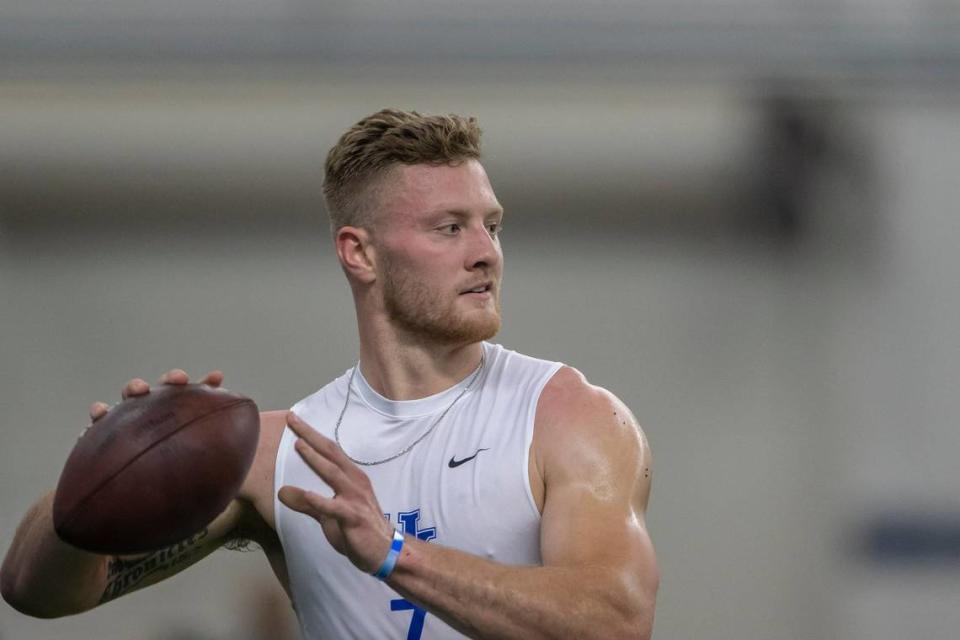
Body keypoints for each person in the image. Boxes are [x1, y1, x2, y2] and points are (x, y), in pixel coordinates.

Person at [1, 109, 659, 639]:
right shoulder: (280, 455)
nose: (485, 253)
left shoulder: (568, 415)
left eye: (492, 226)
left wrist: (396, 553)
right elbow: (33, 593)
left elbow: (615, 621)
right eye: (450, 228)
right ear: (359, 252)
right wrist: (94, 482)